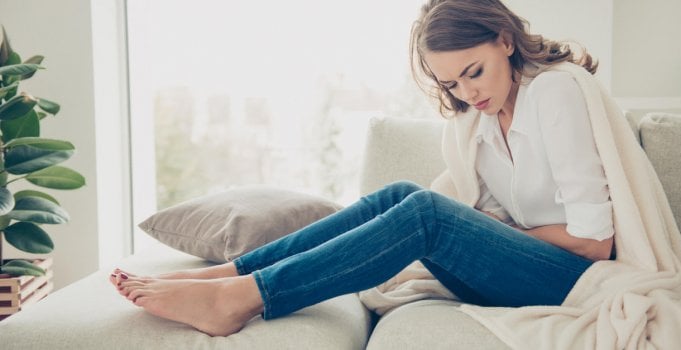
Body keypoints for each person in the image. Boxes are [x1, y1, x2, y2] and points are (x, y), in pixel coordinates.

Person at [110, 0, 615, 337]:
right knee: (398, 195)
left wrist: (494, 231)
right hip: (517, 268)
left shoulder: (554, 92)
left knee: (427, 214)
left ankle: (242, 297)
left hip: (571, 278)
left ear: (505, 41)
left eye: (474, 72)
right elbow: (491, 208)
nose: (469, 94)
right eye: (453, 85)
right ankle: (235, 270)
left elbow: (595, 242)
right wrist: (493, 229)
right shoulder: (480, 120)